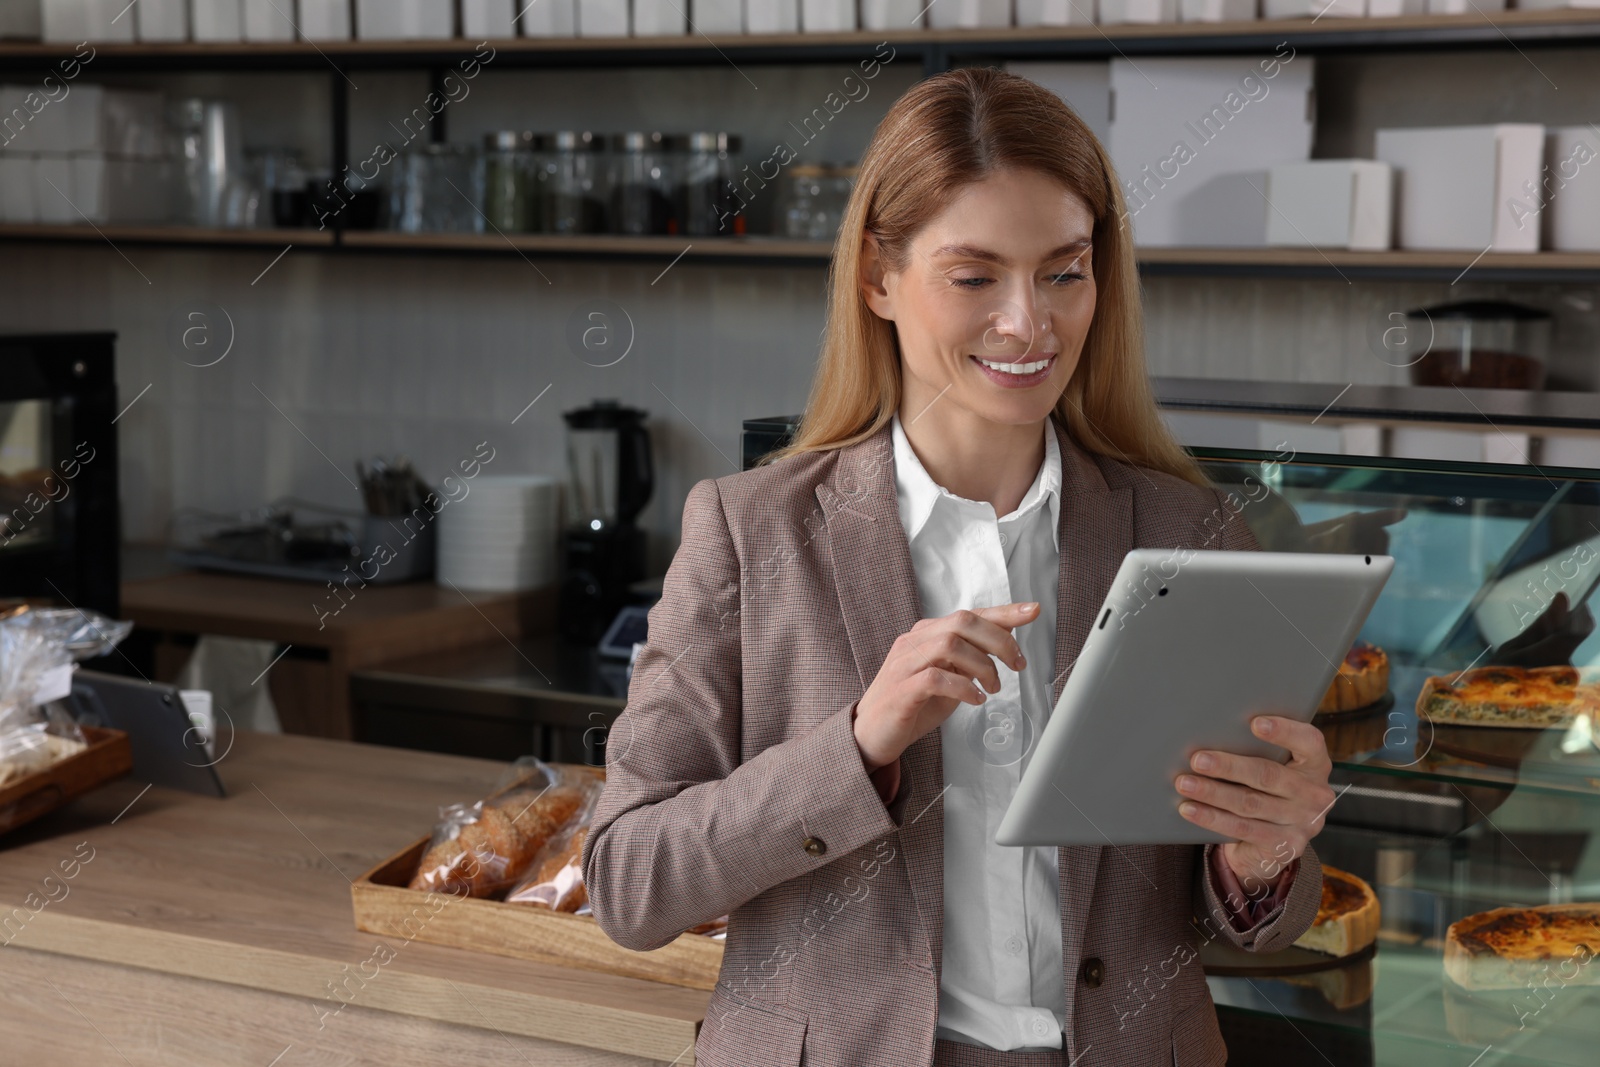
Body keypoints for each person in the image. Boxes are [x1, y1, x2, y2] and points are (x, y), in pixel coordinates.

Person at [583, 68, 1334, 1067]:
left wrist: (1264, 855)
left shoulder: (1190, 528)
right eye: (974, 276)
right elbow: (629, 883)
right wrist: (854, 748)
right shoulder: (748, 532)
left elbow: (1254, 920)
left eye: (1062, 271)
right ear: (877, 278)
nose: (1028, 322)